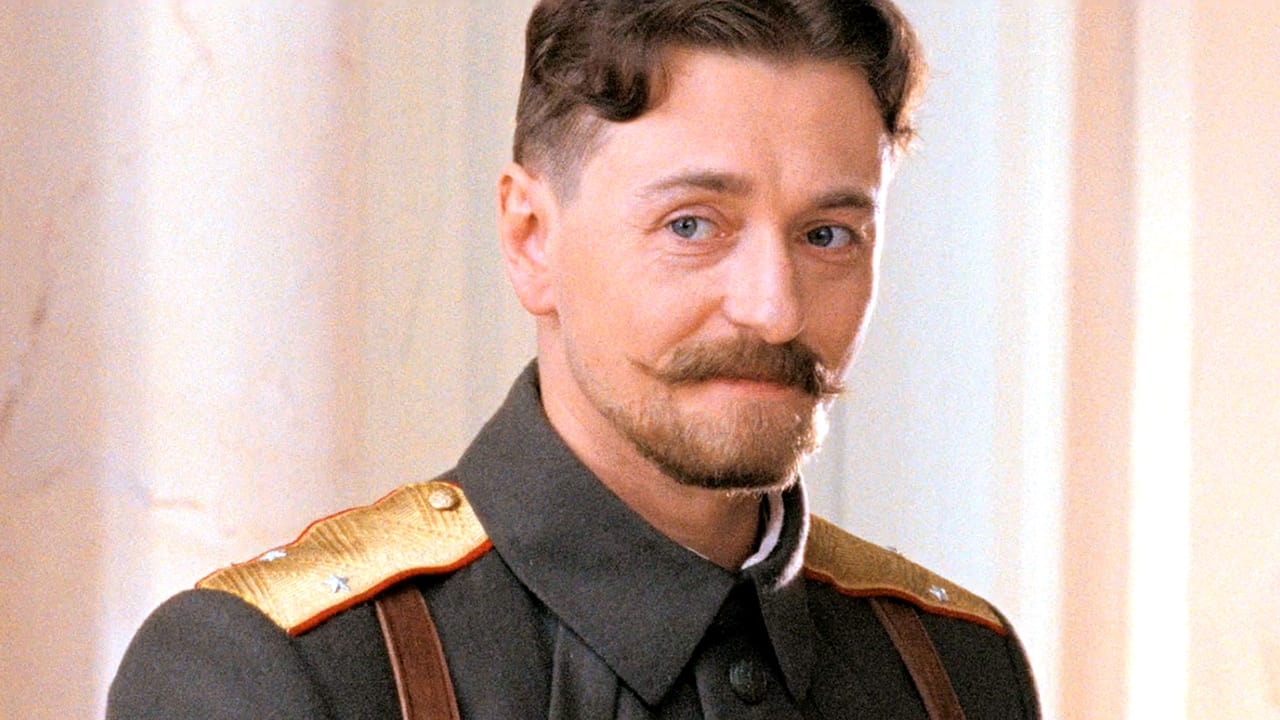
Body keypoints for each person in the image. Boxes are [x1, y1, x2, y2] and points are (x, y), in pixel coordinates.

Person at [109, 0, 1041, 718]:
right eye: (692, 225)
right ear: (531, 239)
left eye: (827, 234)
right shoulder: (279, 673)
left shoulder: (959, 671)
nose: (774, 309)